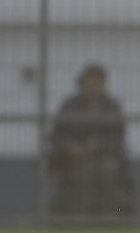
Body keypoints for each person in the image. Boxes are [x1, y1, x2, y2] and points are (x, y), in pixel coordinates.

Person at [50, 64, 133, 216]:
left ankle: (108, 217)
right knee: (83, 172)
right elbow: (57, 135)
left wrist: (99, 145)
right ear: (82, 84)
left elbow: (118, 138)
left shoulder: (112, 107)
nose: (93, 87)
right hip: (73, 159)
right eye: (90, 83)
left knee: (109, 170)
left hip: (105, 157)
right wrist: (70, 147)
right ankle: (82, 219)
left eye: (97, 83)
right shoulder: (69, 106)